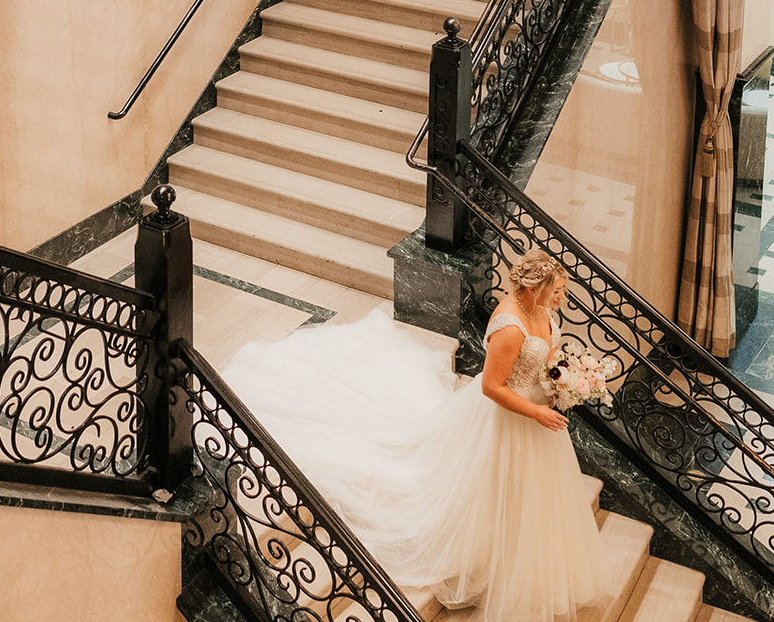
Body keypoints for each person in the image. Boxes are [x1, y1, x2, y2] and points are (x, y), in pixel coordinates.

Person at [223, 248, 606, 622]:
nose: (562, 297)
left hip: (540, 421)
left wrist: (565, 380)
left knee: (532, 493)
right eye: (558, 290)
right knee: (493, 488)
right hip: (508, 421)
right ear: (534, 288)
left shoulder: (541, 310)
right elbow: (491, 387)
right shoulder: (509, 325)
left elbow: (549, 357)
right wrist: (537, 410)